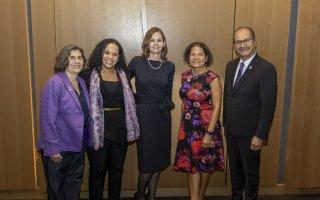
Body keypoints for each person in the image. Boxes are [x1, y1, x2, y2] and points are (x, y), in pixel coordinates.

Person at [80, 38, 139, 200]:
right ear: (100, 53)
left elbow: (130, 100)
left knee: (117, 170)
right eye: (107, 52)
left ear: (119, 57)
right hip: (96, 129)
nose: (110, 57)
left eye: (115, 54)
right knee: (97, 170)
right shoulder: (87, 75)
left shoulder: (124, 75)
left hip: (120, 128)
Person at [223, 27, 277, 200]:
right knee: (235, 173)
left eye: (246, 40)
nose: (242, 45)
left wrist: (260, 135)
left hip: (251, 134)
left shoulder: (266, 69)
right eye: (238, 42)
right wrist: (225, 123)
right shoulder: (231, 66)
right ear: (234, 46)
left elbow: (268, 105)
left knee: (251, 175)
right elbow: (228, 97)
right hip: (231, 130)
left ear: (254, 42)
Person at [127, 27, 175, 200]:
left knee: (159, 159)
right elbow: (123, 82)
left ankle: (152, 195)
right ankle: (140, 194)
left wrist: (167, 105)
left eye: (159, 40)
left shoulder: (170, 66)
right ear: (147, 42)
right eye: (152, 40)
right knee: (148, 161)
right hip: (144, 115)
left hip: (162, 116)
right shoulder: (137, 62)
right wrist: (135, 97)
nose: (156, 43)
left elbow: (168, 92)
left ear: (164, 44)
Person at [38, 44, 90, 200]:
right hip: (58, 148)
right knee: (57, 191)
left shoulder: (81, 81)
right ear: (63, 60)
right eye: (72, 58)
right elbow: (47, 119)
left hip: (78, 145)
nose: (76, 61)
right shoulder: (54, 83)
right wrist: (53, 149)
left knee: (74, 185)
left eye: (79, 58)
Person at [173, 42, 225, 200]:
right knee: (191, 166)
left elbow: (217, 107)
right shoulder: (185, 76)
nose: (196, 57)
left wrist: (209, 133)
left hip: (207, 127)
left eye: (200, 54)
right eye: (193, 54)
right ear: (188, 58)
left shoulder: (213, 78)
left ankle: (200, 195)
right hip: (188, 127)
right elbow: (184, 103)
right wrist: (182, 127)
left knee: (205, 165)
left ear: (206, 57)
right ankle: (194, 197)